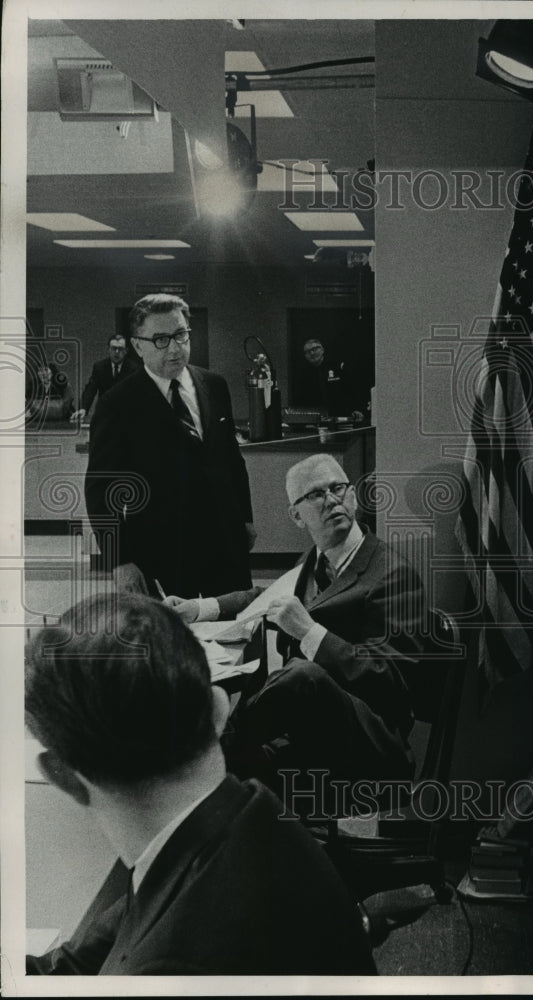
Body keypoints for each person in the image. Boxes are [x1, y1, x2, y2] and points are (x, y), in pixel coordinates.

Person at [25, 593, 376, 976]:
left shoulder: (170, 969)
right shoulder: (246, 813)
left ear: (62, 776)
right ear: (219, 710)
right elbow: (82, 958)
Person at [166, 453, 425, 796]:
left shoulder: (393, 573)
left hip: (371, 744)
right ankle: (208, 778)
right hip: (308, 735)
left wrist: (310, 633)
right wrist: (198, 608)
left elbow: (397, 685)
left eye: (339, 488)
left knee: (303, 676)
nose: (333, 500)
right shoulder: (315, 560)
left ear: (354, 496)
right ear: (296, 516)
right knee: (233, 722)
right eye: (316, 495)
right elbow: (264, 596)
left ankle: (205, 756)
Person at [85, 293, 256, 599]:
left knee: (236, 633)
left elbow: (232, 459)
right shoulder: (117, 404)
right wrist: (119, 559)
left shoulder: (214, 385)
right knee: (172, 640)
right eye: (161, 339)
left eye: (180, 335)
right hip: (161, 550)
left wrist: (245, 517)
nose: (175, 348)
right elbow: (101, 490)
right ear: (137, 345)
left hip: (226, 542)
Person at [71, 334, 139, 422]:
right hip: (104, 413)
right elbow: (91, 389)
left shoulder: (134, 369)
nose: (117, 352)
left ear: (126, 351)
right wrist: (84, 408)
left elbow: (138, 393)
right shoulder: (100, 367)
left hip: (126, 414)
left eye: (120, 349)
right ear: (108, 349)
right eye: (114, 348)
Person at [301, 337, 368, 421]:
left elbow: (353, 389)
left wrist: (358, 408)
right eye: (307, 352)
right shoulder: (304, 375)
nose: (311, 353)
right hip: (317, 419)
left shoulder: (337, 367)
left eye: (314, 349)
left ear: (322, 350)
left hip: (344, 416)